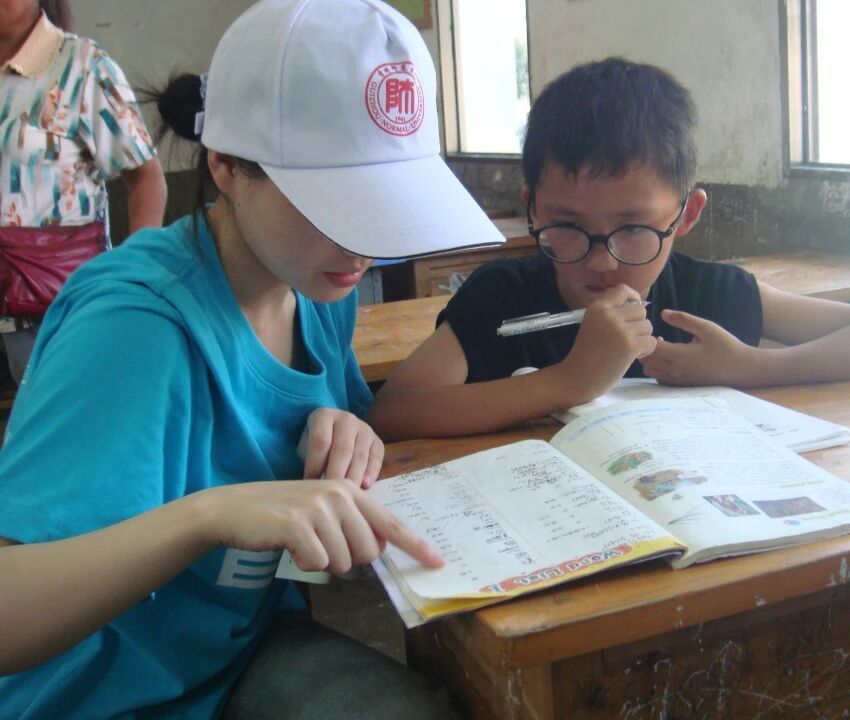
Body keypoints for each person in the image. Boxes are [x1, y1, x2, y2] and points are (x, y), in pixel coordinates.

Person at [0, 0, 503, 717]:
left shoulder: (319, 289)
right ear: (228, 165)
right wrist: (207, 517)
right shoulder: (136, 329)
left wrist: (346, 425)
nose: (361, 246)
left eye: (382, 205)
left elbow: (324, 436)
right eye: (330, 204)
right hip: (100, 696)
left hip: (236, 653)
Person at [367, 58, 850, 441]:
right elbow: (394, 411)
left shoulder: (706, 296)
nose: (602, 261)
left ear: (686, 215)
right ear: (532, 208)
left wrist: (751, 366)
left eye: (633, 228)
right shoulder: (504, 298)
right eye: (568, 225)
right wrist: (569, 382)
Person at [0, 0, 167, 385]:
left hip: (60, 309)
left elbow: (146, 179)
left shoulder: (83, 67)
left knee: (62, 415)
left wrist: (134, 278)